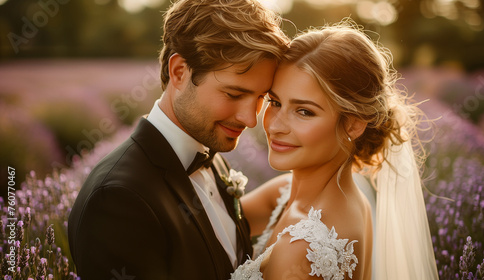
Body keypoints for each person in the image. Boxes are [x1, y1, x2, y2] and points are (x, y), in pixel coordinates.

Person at [67, 0, 289, 279]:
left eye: (260, 98)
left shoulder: (212, 158)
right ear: (180, 72)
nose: (250, 119)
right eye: (233, 94)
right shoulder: (117, 200)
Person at [232, 20, 439, 279]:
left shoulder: (303, 249)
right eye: (274, 101)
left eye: (304, 111)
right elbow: (206, 226)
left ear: (353, 124)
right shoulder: (289, 193)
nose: (274, 125)